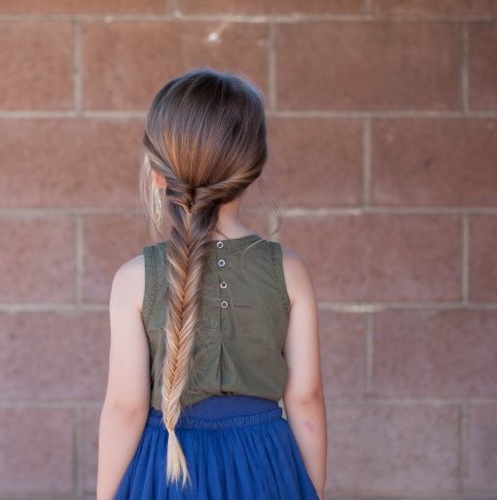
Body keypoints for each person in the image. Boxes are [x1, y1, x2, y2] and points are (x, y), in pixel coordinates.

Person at [96, 68, 326, 499]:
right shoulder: (290, 273)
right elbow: (307, 398)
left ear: (158, 173)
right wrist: (310, 490)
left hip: (167, 467)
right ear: (253, 169)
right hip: (265, 467)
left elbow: (125, 408)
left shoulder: (133, 279)